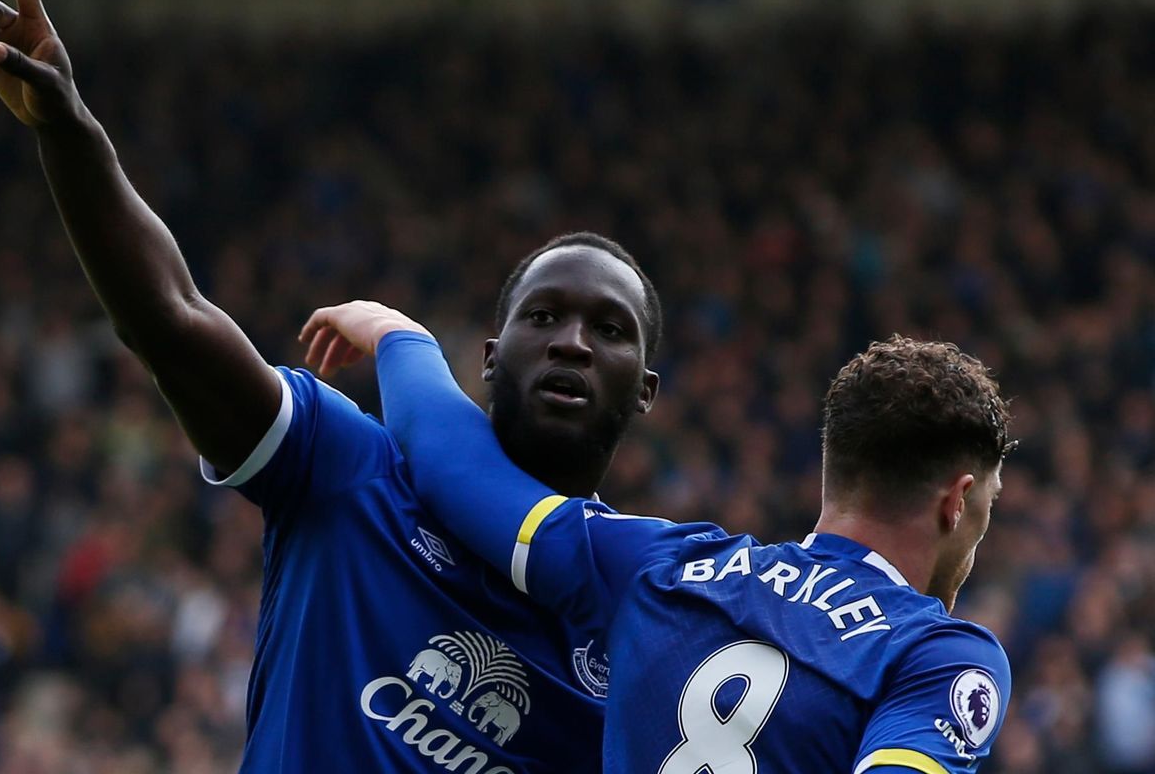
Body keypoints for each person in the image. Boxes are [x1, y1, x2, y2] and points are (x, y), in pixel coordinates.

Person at [0, 0, 664, 770]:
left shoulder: (640, 626)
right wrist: (68, 128)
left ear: (645, 390)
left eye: (609, 330)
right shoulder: (349, 468)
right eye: (544, 316)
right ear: (490, 358)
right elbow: (170, 319)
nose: (572, 343)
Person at [302, 301, 1014, 773]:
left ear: (836, 470)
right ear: (958, 501)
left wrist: (399, 337)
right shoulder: (940, 654)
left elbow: (455, 470)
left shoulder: (668, 565)